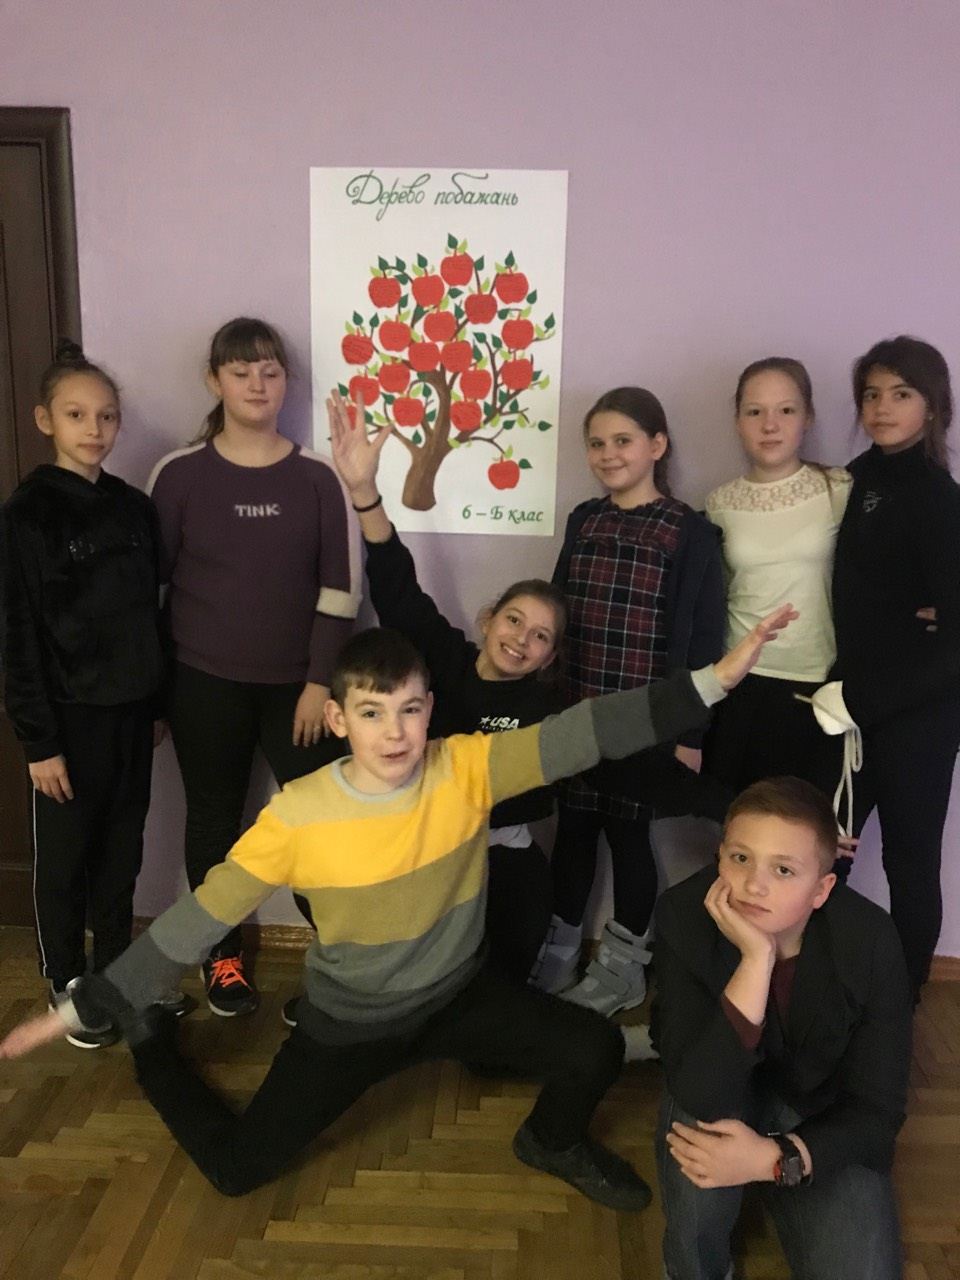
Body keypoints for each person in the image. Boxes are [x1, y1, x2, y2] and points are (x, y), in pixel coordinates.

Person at [0, 605, 798, 1208]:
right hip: (351, 1024)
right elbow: (201, 915)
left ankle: (548, 1141)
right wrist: (94, 1001)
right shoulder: (297, 816)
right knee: (236, 1172)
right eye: (373, 712)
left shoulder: (468, 768)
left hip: (457, 995)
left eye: (411, 709)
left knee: (591, 1049)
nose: (396, 733)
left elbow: (586, 732)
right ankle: (152, 1047)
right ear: (339, 718)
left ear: (429, 710)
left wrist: (713, 681)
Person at [148, 318, 359, 1016]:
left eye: (270, 372)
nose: (257, 385)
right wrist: (155, 697)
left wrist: (319, 682)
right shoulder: (178, 474)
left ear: (286, 382)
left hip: (301, 689)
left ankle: (341, 961)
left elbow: (341, 591)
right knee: (214, 820)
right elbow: (153, 592)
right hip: (202, 683)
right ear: (215, 381)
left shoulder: (318, 476)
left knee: (321, 825)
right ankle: (222, 955)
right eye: (240, 372)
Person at [327, 388, 565, 986]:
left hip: (500, 853)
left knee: (507, 960)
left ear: (549, 657)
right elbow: (397, 587)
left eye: (539, 636)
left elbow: (535, 796)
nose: (521, 639)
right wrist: (364, 492)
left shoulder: (544, 708)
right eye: (514, 620)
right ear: (488, 620)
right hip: (424, 841)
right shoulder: (444, 657)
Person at [652, 776, 910, 1280]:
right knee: (696, 1169)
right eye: (740, 858)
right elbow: (701, 1093)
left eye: (783, 869)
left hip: (820, 1113)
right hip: (720, 1085)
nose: (754, 885)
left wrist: (773, 1159)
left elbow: (877, 1113)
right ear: (720, 856)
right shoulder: (683, 914)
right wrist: (756, 960)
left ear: (821, 889)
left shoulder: (870, 941)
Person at [536, 386, 726, 1014]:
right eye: (597, 443)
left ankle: (624, 968)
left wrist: (689, 733)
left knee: (628, 836)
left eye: (623, 440)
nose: (608, 454)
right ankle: (560, 949)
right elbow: (556, 610)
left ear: (657, 445)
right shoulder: (584, 520)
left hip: (643, 721)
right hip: (578, 711)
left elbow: (702, 636)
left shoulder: (688, 530)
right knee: (573, 832)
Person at [0, 341, 167, 1048]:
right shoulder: (27, 516)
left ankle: (115, 971)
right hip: (67, 725)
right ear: (46, 420)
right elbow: (17, 637)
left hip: (132, 715)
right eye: (76, 414)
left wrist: (155, 705)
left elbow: (150, 615)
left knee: (122, 852)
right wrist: (40, 743)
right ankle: (66, 977)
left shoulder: (133, 509)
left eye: (106, 415)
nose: (93, 428)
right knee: (67, 859)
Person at [814, 335, 960, 997]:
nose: (882, 407)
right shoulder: (854, 481)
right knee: (821, 851)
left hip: (916, 717)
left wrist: (862, 701)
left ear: (933, 406)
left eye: (901, 393)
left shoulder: (939, 498)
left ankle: (902, 1003)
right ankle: (814, 989)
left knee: (910, 861)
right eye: (871, 394)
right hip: (848, 706)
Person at [704, 358, 850, 798]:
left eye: (786, 410)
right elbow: (717, 595)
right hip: (739, 681)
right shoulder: (719, 503)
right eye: (755, 412)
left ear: (808, 417)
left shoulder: (838, 488)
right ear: (738, 421)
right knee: (738, 819)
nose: (770, 425)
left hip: (815, 683)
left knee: (804, 822)